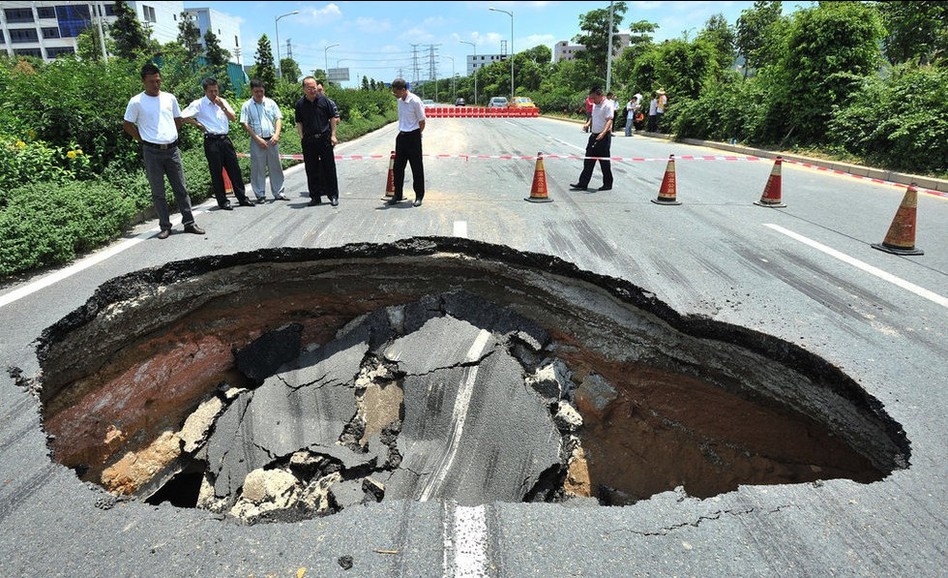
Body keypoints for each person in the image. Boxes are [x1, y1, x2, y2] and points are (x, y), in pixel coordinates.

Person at [122, 63, 205, 240]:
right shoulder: (136, 101)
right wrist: (141, 139)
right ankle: (165, 226)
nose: (156, 84)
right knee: (158, 191)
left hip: (172, 150)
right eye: (152, 81)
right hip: (152, 151)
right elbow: (127, 124)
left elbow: (178, 119)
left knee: (181, 188)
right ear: (143, 81)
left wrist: (170, 135)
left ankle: (189, 223)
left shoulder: (170, 98)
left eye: (158, 80)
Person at [181, 77, 256, 210]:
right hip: (211, 141)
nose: (214, 94)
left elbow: (233, 118)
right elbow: (181, 116)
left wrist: (222, 107)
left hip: (225, 140)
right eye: (211, 91)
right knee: (216, 171)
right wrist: (196, 123)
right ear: (205, 91)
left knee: (234, 169)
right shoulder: (198, 104)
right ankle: (223, 201)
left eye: (216, 90)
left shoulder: (223, 102)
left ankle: (242, 197)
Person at [239, 79, 288, 203]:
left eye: (261, 91)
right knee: (258, 169)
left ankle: (279, 192)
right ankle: (260, 194)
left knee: (276, 167)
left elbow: (278, 118)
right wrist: (257, 138)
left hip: (272, 140)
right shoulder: (247, 105)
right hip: (257, 141)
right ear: (251, 91)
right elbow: (245, 124)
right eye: (256, 91)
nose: (259, 94)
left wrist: (277, 134)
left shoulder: (271, 103)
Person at [295, 76, 340, 206]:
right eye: (309, 88)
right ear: (304, 89)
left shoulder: (324, 101)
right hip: (309, 141)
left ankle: (333, 196)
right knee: (311, 169)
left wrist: (333, 135)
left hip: (324, 139)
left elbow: (332, 118)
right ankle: (315, 197)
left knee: (329, 168)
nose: (313, 90)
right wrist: (301, 137)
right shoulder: (300, 104)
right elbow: (299, 122)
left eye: (314, 87)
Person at [387, 78, 426, 207]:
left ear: (403, 90)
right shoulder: (400, 101)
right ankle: (397, 195)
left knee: (416, 168)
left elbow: (422, 122)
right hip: (401, 137)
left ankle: (419, 196)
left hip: (413, 136)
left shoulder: (415, 101)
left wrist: (416, 135)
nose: (395, 95)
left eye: (396, 92)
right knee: (398, 168)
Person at [570, 87, 614, 192]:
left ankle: (607, 184)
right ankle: (582, 183)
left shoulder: (607, 105)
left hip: (603, 137)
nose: (592, 100)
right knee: (588, 160)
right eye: (591, 98)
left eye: (594, 98)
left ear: (600, 95)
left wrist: (603, 133)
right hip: (594, 136)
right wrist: (588, 124)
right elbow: (593, 117)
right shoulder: (595, 105)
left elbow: (609, 121)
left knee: (604, 162)